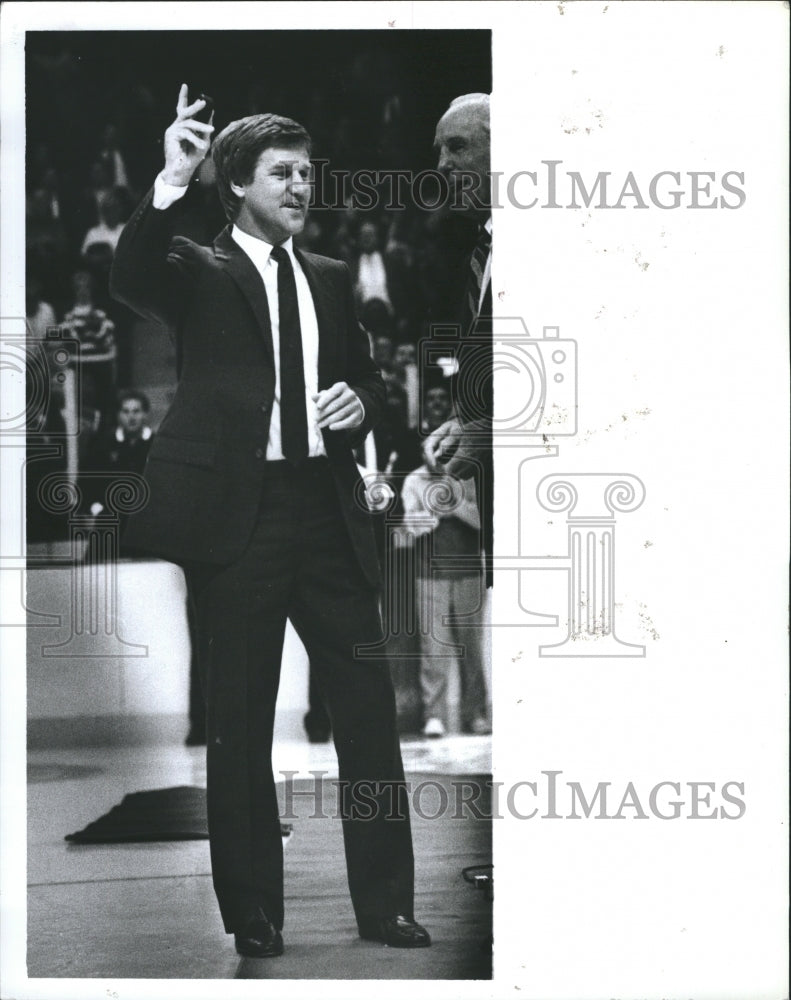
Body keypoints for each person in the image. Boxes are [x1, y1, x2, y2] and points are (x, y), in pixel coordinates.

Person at [110, 85, 429, 958]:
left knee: (367, 719)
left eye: (306, 172)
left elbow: (366, 386)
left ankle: (387, 905)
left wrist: (355, 405)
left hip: (326, 518)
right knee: (241, 725)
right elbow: (128, 279)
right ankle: (254, 913)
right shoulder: (193, 266)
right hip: (237, 524)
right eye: (282, 173)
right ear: (239, 184)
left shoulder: (328, 280)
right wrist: (172, 178)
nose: (300, 186)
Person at [423, 93, 493, 585]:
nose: (443, 164)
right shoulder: (482, 250)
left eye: (458, 146)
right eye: (439, 151)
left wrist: (488, 429)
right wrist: (462, 418)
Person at [401, 385, 490, 738]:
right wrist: (427, 516)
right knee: (432, 647)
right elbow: (408, 528)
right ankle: (434, 715)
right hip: (429, 574)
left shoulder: (473, 477)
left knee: (472, 647)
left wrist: (453, 504)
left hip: (469, 572)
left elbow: (486, 523)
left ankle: (476, 714)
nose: (439, 452)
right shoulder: (413, 480)